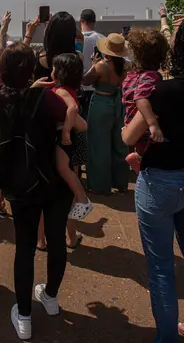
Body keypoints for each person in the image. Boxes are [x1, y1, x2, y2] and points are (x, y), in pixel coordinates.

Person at [0, 12, 75, 340]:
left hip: (20, 181)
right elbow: (73, 120)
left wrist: (12, 37)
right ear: (32, 71)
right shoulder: (45, 96)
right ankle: (51, 296)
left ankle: (23, 315)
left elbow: (0, 66)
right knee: (56, 242)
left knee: (24, 247)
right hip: (51, 179)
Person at [122, 21, 184, 342]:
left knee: (161, 268)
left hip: (159, 178)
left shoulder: (158, 90)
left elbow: (128, 135)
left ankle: (167, 338)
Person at [28, 11, 87, 249]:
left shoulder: (40, 60)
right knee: (68, 186)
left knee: (43, 186)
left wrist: (45, 25)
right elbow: (81, 38)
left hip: (44, 130)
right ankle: (71, 236)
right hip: (70, 130)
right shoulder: (77, 58)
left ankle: (41, 239)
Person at [84, 34, 129, 195]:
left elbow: (85, 80)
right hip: (118, 104)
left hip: (101, 104)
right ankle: (121, 182)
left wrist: (93, 64)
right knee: (119, 144)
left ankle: (100, 185)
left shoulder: (101, 66)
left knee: (98, 145)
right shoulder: (123, 67)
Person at [51, 54, 92, 220]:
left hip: (64, 138)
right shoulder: (69, 90)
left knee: (62, 167)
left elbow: (73, 108)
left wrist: (66, 129)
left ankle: (82, 199)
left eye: (54, 69)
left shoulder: (61, 91)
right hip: (67, 137)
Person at [122, 29, 169, 174]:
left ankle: (137, 157)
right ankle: (138, 159)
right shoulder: (151, 77)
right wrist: (153, 124)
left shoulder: (131, 75)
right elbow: (140, 98)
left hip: (130, 121)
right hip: (144, 126)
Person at [80, 9, 105, 119]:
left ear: (81, 21)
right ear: (94, 22)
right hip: (97, 88)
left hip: (78, 88)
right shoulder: (102, 39)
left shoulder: (75, 39)